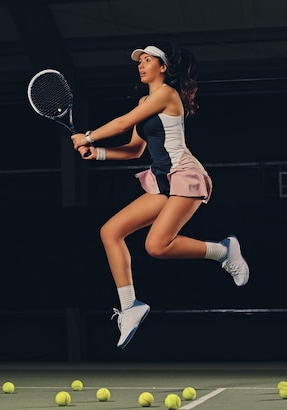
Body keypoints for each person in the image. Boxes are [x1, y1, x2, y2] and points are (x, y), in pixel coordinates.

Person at [70, 41, 249, 349]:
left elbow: (123, 122)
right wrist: (97, 152)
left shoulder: (167, 94)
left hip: (185, 176)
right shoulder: (145, 101)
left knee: (156, 245)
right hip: (162, 181)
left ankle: (223, 251)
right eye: (138, 61)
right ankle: (130, 307)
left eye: (147, 60)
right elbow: (134, 150)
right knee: (110, 232)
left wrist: (87, 135)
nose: (140, 64)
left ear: (163, 68)